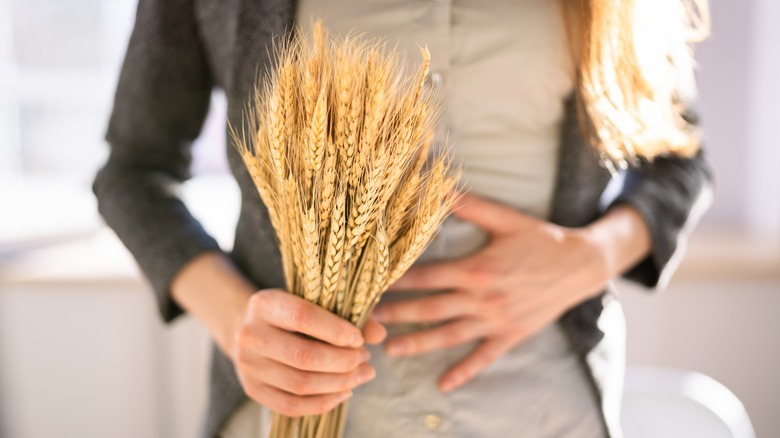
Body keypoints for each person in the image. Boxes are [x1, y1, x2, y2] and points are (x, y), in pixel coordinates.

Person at [93, 0, 713, 437]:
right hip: (298, 421)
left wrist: (594, 254)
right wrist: (239, 325)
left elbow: (681, 163)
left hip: (542, 413)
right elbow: (134, 173)